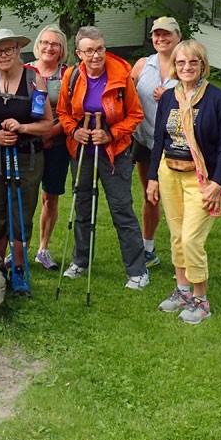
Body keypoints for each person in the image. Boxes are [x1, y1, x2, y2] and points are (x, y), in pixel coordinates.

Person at [145, 40, 221, 324]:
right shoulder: (169, 97)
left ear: (202, 65)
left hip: (201, 179)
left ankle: (200, 299)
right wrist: (152, 179)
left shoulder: (218, 99)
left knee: (192, 238)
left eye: (192, 62)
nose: (186, 67)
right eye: (181, 62)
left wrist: (216, 183)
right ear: (174, 66)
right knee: (177, 236)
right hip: (169, 172)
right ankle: (182, 291)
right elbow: (159, 138)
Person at [56, 26, 147, 289]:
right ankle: (80, 262)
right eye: (89, 51)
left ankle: (137, 270)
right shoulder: (72, 76)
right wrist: (74, 131)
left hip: (114, 152)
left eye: (100, 49)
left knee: (121, 208)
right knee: (82, 205)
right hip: (82, 151)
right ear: (79, 53)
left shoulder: (122, 76)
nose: (96, 56)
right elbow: (63, 112)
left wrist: (111, 134)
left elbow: (135, 114)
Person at [0, 29, 54, 291]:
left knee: (21, 212)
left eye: (8, 50)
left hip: (26, 157)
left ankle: (17, 270)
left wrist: (23, 128)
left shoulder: (33, 80)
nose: (3, 55)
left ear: (18, 51)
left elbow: (48, 123)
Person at [131, 16, 182, 268]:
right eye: (156, 34)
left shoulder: (186, 66)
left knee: (173, 197)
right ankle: (147, 248)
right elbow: (127, 96)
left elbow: (198, 105)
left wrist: (171, 97)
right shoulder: (142, 65)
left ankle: (183, 250)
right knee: (150, 195)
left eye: (167, 34)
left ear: (178, 37)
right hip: (143, 139)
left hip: (174, 144)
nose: (161, 39)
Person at [26, 24, 70, 271]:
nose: (49, 47)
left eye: (55, 44)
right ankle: (20, 248)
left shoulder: (68, 74)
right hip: (27, 144)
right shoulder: (25, 71)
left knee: (49, 197)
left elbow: (70, 113)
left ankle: (43, 248)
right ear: (38, 45)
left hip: (56, 145)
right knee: (25, 196)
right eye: (45, 42)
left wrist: (48, 134)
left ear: (61, 49)